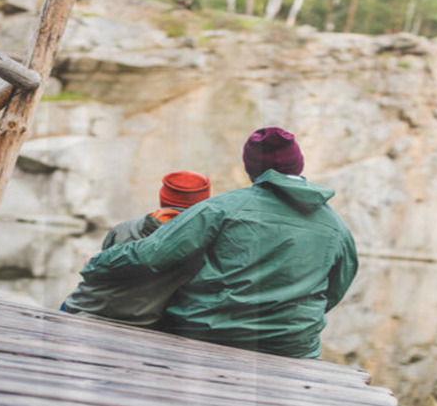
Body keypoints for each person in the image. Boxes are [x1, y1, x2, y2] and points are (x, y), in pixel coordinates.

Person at [79, 127, 358, 358]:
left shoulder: (222, 208)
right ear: (299, 165)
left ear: (251, 169)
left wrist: (97, 262)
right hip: (290, 346)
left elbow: (153, 255)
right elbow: (335, 290)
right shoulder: (337, 228)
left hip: (209, 334)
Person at [61, 170, 211, 326]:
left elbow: (98, 269)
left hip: (80, 308)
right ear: (202, 205)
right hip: (139, 325)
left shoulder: (123, 229)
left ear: (162, 198)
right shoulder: (204, 244)